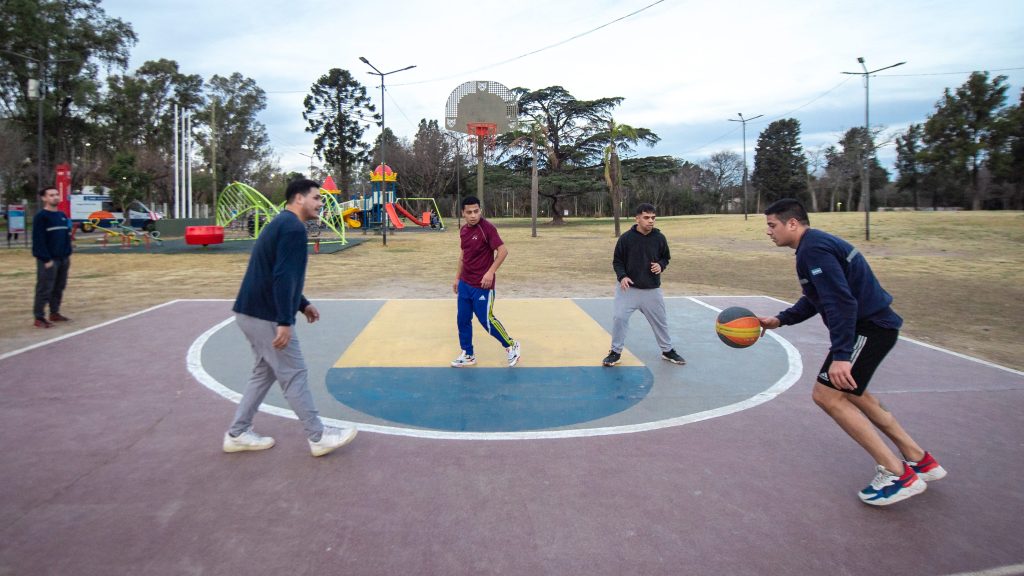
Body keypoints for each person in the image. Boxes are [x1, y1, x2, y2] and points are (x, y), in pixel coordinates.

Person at [758, 198, 946, 506]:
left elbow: (841, 302)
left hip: (869, 330)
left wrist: (842, 355)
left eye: (772, 225)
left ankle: (897, 474)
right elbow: (815, 297)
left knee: (827, 396)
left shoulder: (813, 250)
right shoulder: (813, 246)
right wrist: (780, 319)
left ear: (792, 223)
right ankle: (918, 460)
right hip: (874, 327)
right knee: (857, 395)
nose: (768, 232)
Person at [223, 179, 357, 457]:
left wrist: (302, 304)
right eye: (317, 198)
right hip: (266, 314)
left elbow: (279, 272)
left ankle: (237, 433)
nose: (321, 203)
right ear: (299, 199)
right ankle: (318, 437)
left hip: (249, 311)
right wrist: (285, 319)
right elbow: (284, 277)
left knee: (264, 373)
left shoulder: (281, 224)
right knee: (294, 373)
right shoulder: (293, 228)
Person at [602, 203, 686, 367]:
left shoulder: (659, 238)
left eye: (653, 218)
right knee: (619, 319)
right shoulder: (626, 238)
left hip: (651, 290)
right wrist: (622, 277)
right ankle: (615, 352)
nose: (650, 221)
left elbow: (666, 257)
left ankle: (667, 350)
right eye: (646, 217)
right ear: (637, 218)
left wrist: (661, 265)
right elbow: (617, 261)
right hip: (628, 290)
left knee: (660, 321)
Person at [451, 196, 521, 368]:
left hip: (482, 285)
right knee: (462, 319)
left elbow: (503, 251)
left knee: (486, 320)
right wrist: (457, 278)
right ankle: (468, 354)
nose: (473, 215)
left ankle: (511, 345)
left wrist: (490, 272)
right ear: (463, 213)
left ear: (480, 210)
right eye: (469, 212)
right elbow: (463, 256)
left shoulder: (487, 228)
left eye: (476, 211)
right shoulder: (464, 230)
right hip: (465, 283)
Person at [32, 187, 73, 328]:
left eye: (56, 195)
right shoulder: (41, 217)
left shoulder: (62, 216)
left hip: (63, 259)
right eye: (51, 195)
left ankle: (54, 313)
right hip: (49, 260)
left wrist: (67, 254)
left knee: (59, 287)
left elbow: (66, 237)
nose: (55, 197)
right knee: (44, 288)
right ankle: (39, 317)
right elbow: (38, 241)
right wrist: (46, 259)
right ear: (44, 198)